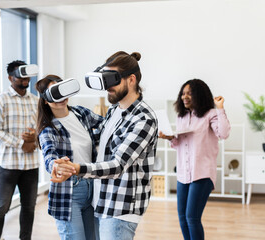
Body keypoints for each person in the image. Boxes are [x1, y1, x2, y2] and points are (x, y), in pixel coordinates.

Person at [53, 51, 158, 240]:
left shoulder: (143, 118)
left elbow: (118, 165)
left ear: (131, 79)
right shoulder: (114, 111)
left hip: (120, 208)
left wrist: (76, 169)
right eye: (105, 80)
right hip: (103, 201)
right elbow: (99, 148)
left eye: (112, 80)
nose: (108, 87)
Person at [158, 79, 231, 240]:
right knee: (183, 217)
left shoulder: (210, 114)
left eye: (189, 93)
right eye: (183, 93)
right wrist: (170, 137)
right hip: (183, 174)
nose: (185, 97)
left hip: (202, 173)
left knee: (192, 217)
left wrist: (220, 108)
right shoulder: (181, 117)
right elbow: (180, 144)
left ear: (199, 94)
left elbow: (223, 134)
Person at [36, 75, 104, 240]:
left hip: (91, 187)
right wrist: (56, 166)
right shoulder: (48, 129)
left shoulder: (80, 113)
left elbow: (107, 126)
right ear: (45, 100)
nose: (60, 97)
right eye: (54, 93)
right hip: (68, 192)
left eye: (62, 90)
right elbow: (49, 155)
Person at [0, 60, 39, 240]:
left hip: (31, 164)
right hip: (7, 164)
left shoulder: (36, 100)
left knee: (29, 207)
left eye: (26, 75)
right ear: (10, 78)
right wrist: (20, 143)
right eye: (20, 76)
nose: (25, 79)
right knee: (1, 207)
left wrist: (35, 138)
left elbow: (42, 127)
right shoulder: (0, 100)